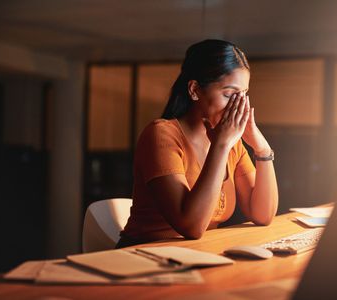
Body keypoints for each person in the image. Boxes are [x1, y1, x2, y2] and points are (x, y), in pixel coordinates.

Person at [116, 39, 278, 248]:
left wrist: (262, 148)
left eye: (243, 95)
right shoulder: (161, 135)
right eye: (229, 94)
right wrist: (221, 145)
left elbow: (263, 214)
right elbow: (191, 226)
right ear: (194, 90)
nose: (238, 105)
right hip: (144, 257)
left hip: (196, 254)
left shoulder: (232, 144)